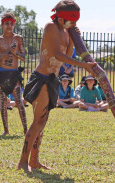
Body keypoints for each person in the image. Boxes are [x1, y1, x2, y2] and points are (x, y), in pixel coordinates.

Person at [17, 0, 96, 172]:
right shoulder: (50, 27)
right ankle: (23, 161)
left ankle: (34, 161)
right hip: (41, 78)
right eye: (72, 21)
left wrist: (74, 40)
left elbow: (67, 58)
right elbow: (56, 54)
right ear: (61, 19)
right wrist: (84, 65)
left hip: (52, 79)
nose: (74, 24)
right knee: (38, 121)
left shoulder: (66, 32)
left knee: (42, 122)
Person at [0, 12, 27, 135]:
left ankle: (26, 130)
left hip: (14, 74)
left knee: (19, 102)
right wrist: (2, 56)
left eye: (11, 23)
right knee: (2, 102)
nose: (9, 26)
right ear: (2, 24)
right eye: (6, 23)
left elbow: (23, 57)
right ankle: (6, 130)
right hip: (1, 74)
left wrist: (14, 53)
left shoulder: (18, 39)